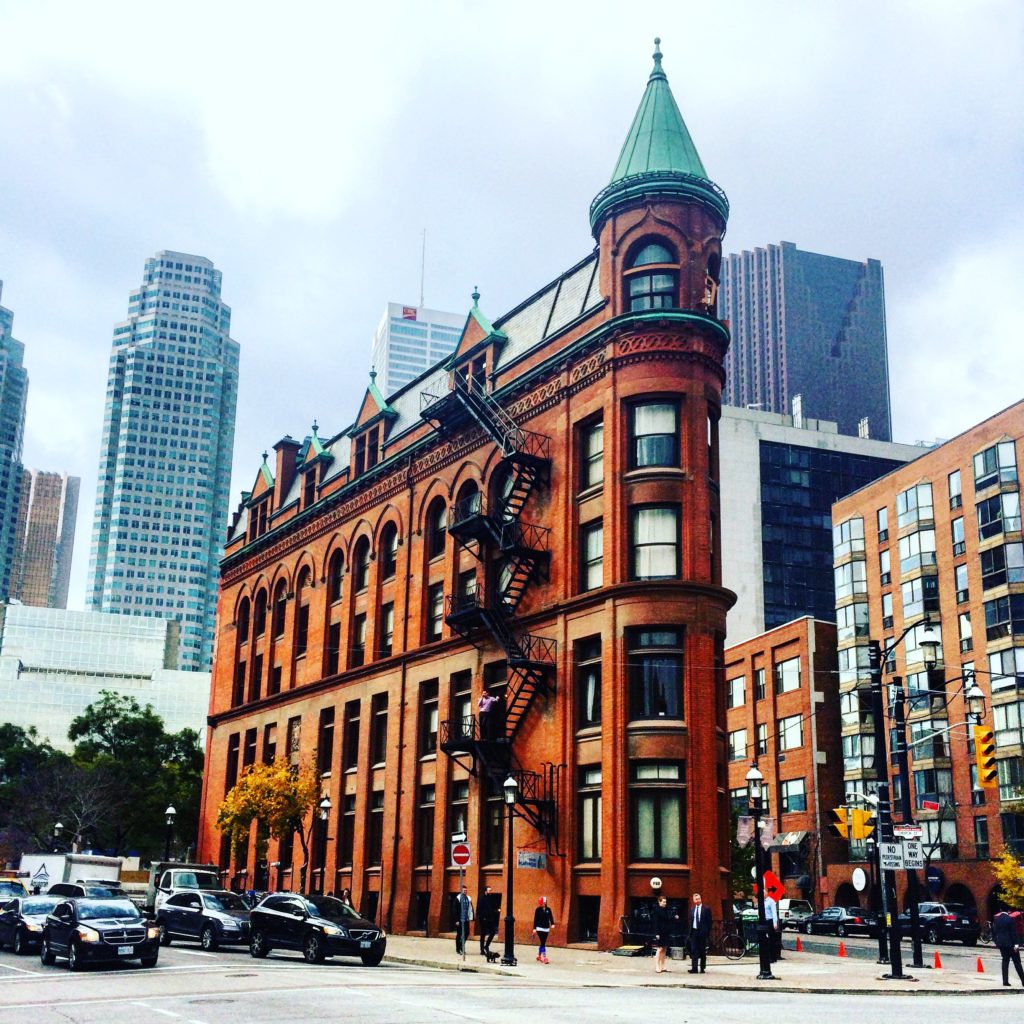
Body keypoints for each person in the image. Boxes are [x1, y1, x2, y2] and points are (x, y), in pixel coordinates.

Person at [993, 910, 1024, 987]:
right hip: (1011, 943)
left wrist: (997, 942)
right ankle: (1023, 980)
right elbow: (1013, 932)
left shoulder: (997, 920)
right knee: (1017, 962)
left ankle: (1005, 981)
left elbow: (994, 932)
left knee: (1005, 961)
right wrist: (1016, 944)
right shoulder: (1010, 919)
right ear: (1008, 911)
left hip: (1002, 944)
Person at [652, 896, 679, 974]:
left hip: (666, 931)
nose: (665, 903)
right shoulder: (656, 910)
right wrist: (656, 933)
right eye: (663, 902)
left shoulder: (665, 909)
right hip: (660, 932)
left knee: (664, 949)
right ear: (659, 902)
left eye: (665, 902)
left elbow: (668, 919)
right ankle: (657, 966)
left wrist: (674, 917)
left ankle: (663, 966)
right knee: (659, 949)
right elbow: (655, 922)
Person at [686, 892, 712, 974]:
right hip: (694, 931)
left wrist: (707, 932)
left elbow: (709, 921)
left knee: (702, 950)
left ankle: (702, 967)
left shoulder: (706, 909)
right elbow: (691, 920)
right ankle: (694, 968)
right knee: (694, 950)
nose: (697, 900)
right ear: (694, 900)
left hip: (702, 932)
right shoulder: (692, 909)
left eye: (698, 899)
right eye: (696, 899)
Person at [478, 885, 500, 958]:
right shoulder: (481, 898)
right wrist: (481, 917)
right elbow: (479, 908)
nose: (490, 891)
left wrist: (497, 910)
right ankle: (481, 950)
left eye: (491, 890)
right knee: (483, 934)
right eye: (489, 890)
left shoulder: (491, 898)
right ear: (486, 891)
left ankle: (486, 946)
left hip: (490, 919)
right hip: (483, 919)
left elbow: (494, 907)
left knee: (493, 932)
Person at [533, 896, 554, 963]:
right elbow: (535, 919)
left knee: (543, 942)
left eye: (545, 902)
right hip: (539, 928)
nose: (544, 903)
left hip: (546, 928)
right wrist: (534, 928)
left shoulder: (548, 909)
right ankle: (544, 957)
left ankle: (539, 955)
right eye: (543, 902)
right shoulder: (538, 910)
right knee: (542, 942)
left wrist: (552, 924)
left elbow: (551, 917)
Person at [454, 885, 474, 955]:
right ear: (461, 891)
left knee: (467, 933)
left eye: (466, 890)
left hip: (466, 919)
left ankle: (461, 946)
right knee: (459, 934)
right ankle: (458, 949)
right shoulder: (458, 898)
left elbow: (471, 908)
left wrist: (471, 917)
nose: (465, 891)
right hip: (460, 920)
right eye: (464, 890)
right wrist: (456, 920)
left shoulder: (468, 898)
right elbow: (455, 910)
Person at [764, 894, 781, 961]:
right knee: (766, 939)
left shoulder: (771, 901)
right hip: (765, 921)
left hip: (770, 921)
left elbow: (774, 913)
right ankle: (768, 956)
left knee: (771, 940)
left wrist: (775, 923)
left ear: (766, 894)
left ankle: (773, 957)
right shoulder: (763, 902)